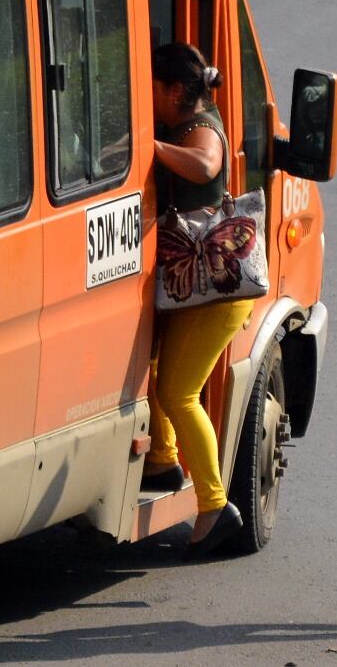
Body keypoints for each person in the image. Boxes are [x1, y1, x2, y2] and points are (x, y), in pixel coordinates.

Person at [141, 42, 250, 561]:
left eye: (153, 88)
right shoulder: (186, 119)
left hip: (217, 292)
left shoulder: (201, 129)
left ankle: (215, 506)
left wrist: (150, 147)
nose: (147, 96)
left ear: (177, 91)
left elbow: (207, 165)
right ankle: (163, 461)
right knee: (157, 365)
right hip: (196, 288)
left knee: (180, 392)